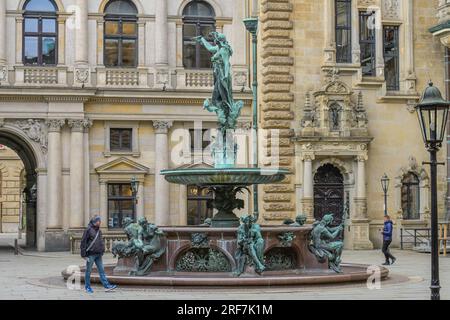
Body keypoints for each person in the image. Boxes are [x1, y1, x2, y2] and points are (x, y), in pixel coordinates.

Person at [80, 216, 117, 294]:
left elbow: (101, 241)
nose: (99, 222)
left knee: (102, 270)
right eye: (98, 221)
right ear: (94, 221)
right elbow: (83, 242)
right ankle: (87, 287)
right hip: (90, 254)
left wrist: (102, 250)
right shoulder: (88, 230)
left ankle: (107, 286)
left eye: (100, 221)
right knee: (88, 271)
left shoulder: (99, 231)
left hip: (98, 254)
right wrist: (83, 254)